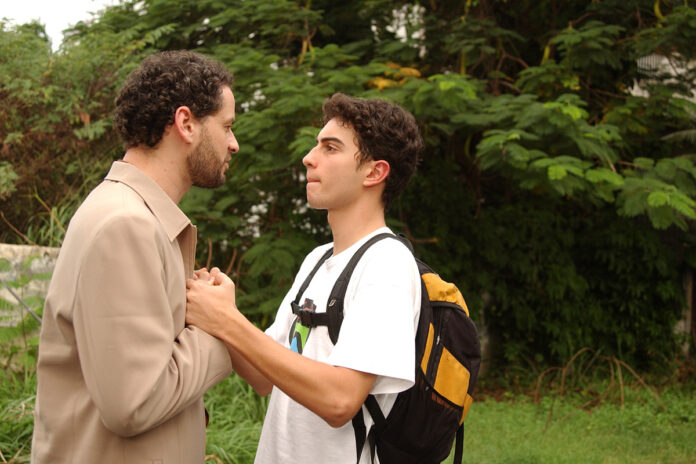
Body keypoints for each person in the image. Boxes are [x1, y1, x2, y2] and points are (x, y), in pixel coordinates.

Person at [185, 93, 424, 463]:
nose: (309, 158)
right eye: (317, 145)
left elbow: (339, 400)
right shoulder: (319, 259)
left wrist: (228, 322)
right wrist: (222, 312)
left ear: (374, 172)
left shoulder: (386, 264)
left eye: (330, 148)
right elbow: (264, 378)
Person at [31, 50, 239, 464]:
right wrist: (221, 329)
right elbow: (134, 403)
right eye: (227, 126)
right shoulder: (125, 225)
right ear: (186, 124)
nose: (234, 143)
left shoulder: (133, 216)